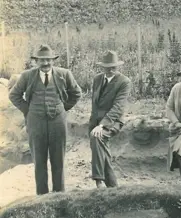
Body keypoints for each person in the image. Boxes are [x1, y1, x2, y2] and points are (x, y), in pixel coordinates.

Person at [8, 44, 82, 195]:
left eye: (48, 60)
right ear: (36, 61)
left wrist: (63, 107)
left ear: (53, 60)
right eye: (42, 60)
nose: (46, 63)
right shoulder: (27, 76)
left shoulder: (64, 74)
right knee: (39, 161)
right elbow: (13, 95)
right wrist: (28, 111)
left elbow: (76, 93)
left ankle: (59, 195)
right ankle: (42, 197)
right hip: (36, 123)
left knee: (58, 160)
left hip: (58, 123)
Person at [89, 50, 132, 188]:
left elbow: (118, 107)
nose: (110, 70)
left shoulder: (124, 82)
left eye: (113, 67)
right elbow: (94, 103)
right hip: (95, 122)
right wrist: (94, 123)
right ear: (102, 67)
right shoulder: (97, 79)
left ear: (118, 67)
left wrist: (101, 125)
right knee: (102, 152)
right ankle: (113, 187)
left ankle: (98, 180)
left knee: (97, 138)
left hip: (113, 122)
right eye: (107, 68)